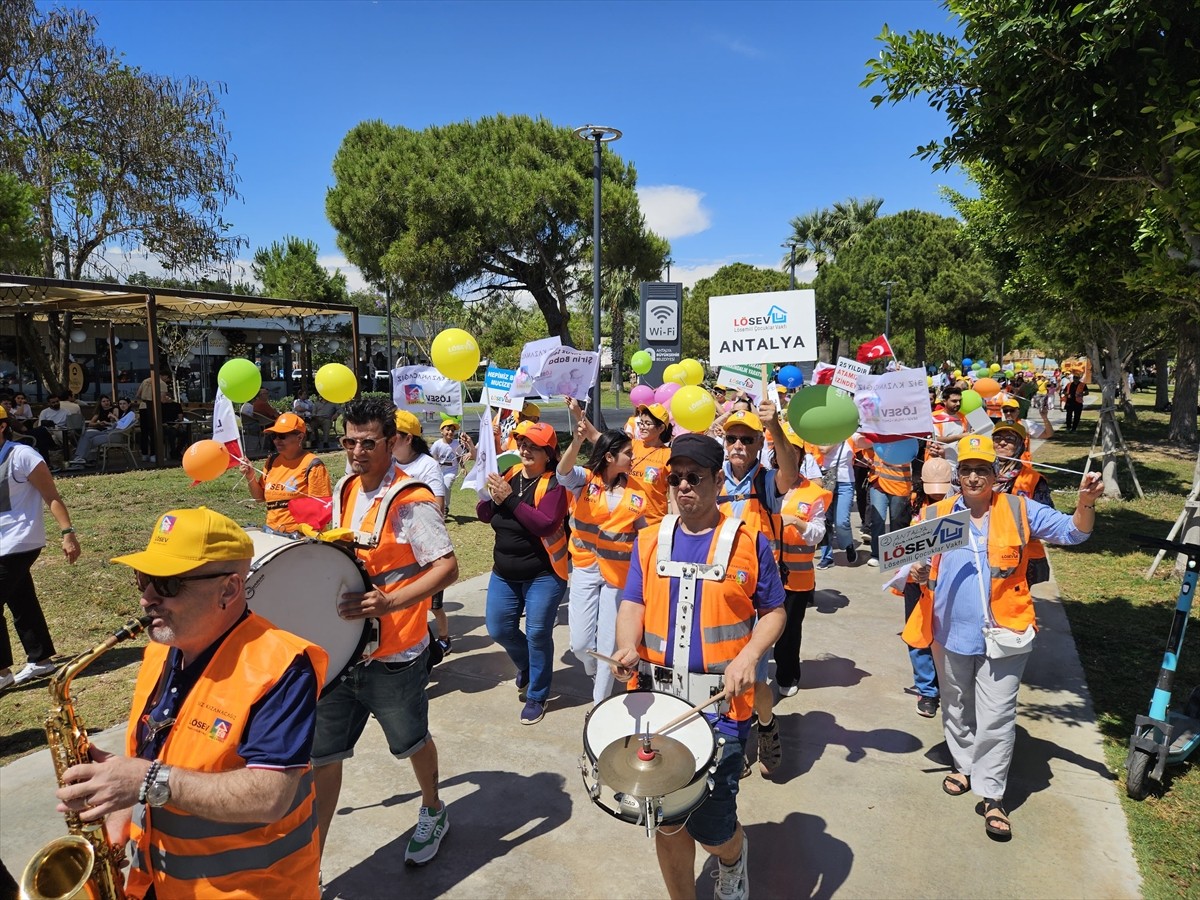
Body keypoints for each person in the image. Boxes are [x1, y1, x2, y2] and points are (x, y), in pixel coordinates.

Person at [56, 506, 327, 898]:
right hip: (158, 883)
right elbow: (155, 759)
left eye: (167, 584)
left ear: (229, 590)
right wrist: (114, 806)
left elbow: (271, 795)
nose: (147, 598)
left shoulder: (283, 666)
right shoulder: (160, 651)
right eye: (143, 579)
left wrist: (144, 780)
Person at [611, 434, 786, 900]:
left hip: (722, 709)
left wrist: (749, 656)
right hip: (656, 703)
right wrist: (626, 646)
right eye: (676, 478)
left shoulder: (749, 542)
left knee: (712, 827)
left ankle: (732, 856)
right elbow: (632, 601)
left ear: (716, 482)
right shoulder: (649, 540)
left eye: (695, 477)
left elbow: (774, 611)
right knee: (667, 821)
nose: (684, 486)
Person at [907, 435, 1102, 840]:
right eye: (966, 470)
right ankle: (963, 765)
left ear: (996, 475)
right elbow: (911, 566)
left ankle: (992, 794)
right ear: (957, 475)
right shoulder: (936, 513)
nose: (973, 477)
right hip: (948, 633)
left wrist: (1085, 502)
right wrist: (917, 572)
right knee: (956, 705)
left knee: (996, 717)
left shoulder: (1018, 508)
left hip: (1006, 635)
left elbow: (1074, 533)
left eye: (982, 470)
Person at [312, 397, 459, 867]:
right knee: (323, 757)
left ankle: (433, 808)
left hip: (396, 656)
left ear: (392, 441)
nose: (356, 452)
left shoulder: (411, 500)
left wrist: (391, 602)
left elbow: (447, 568)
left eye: (368, 443)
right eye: (349, 442)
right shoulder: (344, 489)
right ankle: (311, 865)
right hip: (342, 653)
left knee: (412, 742)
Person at [717, 402, 797, 776]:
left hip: (757, 594)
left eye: (747, 440)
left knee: (752, 678)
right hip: (719, 591)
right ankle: (731, 741)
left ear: (759, 444)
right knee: (721, 673)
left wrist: (774, 428)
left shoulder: (766, 482)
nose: (738, 445)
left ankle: (763, 725)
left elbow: (790, 472)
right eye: (732, 438)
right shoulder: (711, 477)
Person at [477, 420, 569, 724]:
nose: (526, 450)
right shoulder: (509, 474)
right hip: (504, 573)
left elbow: (545, 524)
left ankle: (537, 694)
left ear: (549, 453)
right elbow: (484, 514)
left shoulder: (555, 484)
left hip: (543, 574)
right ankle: (529, 665)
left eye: (534, 446)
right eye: (523, 444)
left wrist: (509, 499)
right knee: (499, 629)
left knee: (538, 633)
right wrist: (487, 494)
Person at [558, 401, 647, 705]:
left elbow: (645, 533)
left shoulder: (637, 492)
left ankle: (599, 705)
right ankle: (593, 668)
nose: (633, 458)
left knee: (609, 643)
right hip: (585, 567)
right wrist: (577, 441)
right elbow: (562, 472)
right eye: (628, 454)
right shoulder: (585, 480)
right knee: (580, 643)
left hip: (618, 576)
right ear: (610, 457)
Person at [0, 406, 80, 689]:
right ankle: (41, 658)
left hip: (20, 540)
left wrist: (67, 533)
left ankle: (2, 673)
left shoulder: (22, 455)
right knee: (21, 599)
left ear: (2, 426)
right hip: (2, 543)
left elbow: (51, 496)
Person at [392, 409, 454, 653]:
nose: (386, 438)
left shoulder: (427, 465)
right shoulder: (386, 463)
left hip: (424, 551)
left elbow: (438, 507)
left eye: (393, 433)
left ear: (408, 438)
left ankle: (443, 639)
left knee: (432, 604)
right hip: (396, 551)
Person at [896, 456, 954, 718]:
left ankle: (947, 684)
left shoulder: (961, 508)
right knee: (918, 634)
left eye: (943, 490)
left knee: (946, 635)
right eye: (933, 491)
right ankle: (927, 691)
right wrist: (908, 565)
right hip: (916, 584)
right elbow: (898, 543)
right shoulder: (912, 504)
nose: (937, 496)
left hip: (948, 582)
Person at [774, 429, 829, 697]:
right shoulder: (762, 484)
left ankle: (787, 675)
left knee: (789, 630)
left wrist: (797, 522)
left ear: (800, 456)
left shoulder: (813, 493)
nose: (787, 456)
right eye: (782, 450)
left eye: (793, 451)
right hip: (763, 572)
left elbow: (818, 534)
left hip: (796, 577)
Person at [240, 412, 332, 536]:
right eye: (274, 436)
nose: (276, 440)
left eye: (282, 436)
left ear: (300, 437)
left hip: (300, 537)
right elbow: (259, 498)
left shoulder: (313, 465)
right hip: (272, 533)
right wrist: (250, 476)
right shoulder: (272, 461)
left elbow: (321, 510)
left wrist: (304, 536)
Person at [992, 422, 1054, 586]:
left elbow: (1045, 521)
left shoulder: (1034, 480)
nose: (1002, 442)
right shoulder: (981, 474)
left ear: (1021, 444)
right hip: (986, 550)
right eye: (997, 438)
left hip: (1022, 556)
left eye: (1009, 439)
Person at [430, 416, 475, 509]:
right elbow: (432, 457)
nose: (450, 432)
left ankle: (445, 506)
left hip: (451, 471)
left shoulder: (456, 444)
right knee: (438, 488)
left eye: (452, 430)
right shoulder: (437, 444)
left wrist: (463, 467)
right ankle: (437, 505)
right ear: (441, 431)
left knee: (446, 486)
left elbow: (459, 457)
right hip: (439, 470)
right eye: (448, 429)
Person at [135, 371, 170, 462]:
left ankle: (144, 454)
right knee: (154, 431)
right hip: (153, 408)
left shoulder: (145, 381)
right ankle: (154, 455)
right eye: (167, 377)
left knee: (144, 432)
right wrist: (168, 400)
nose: (167, 379)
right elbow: (162, 399)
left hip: (143, 407)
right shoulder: (162, 383)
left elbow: (138, 395)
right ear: (163, 375)